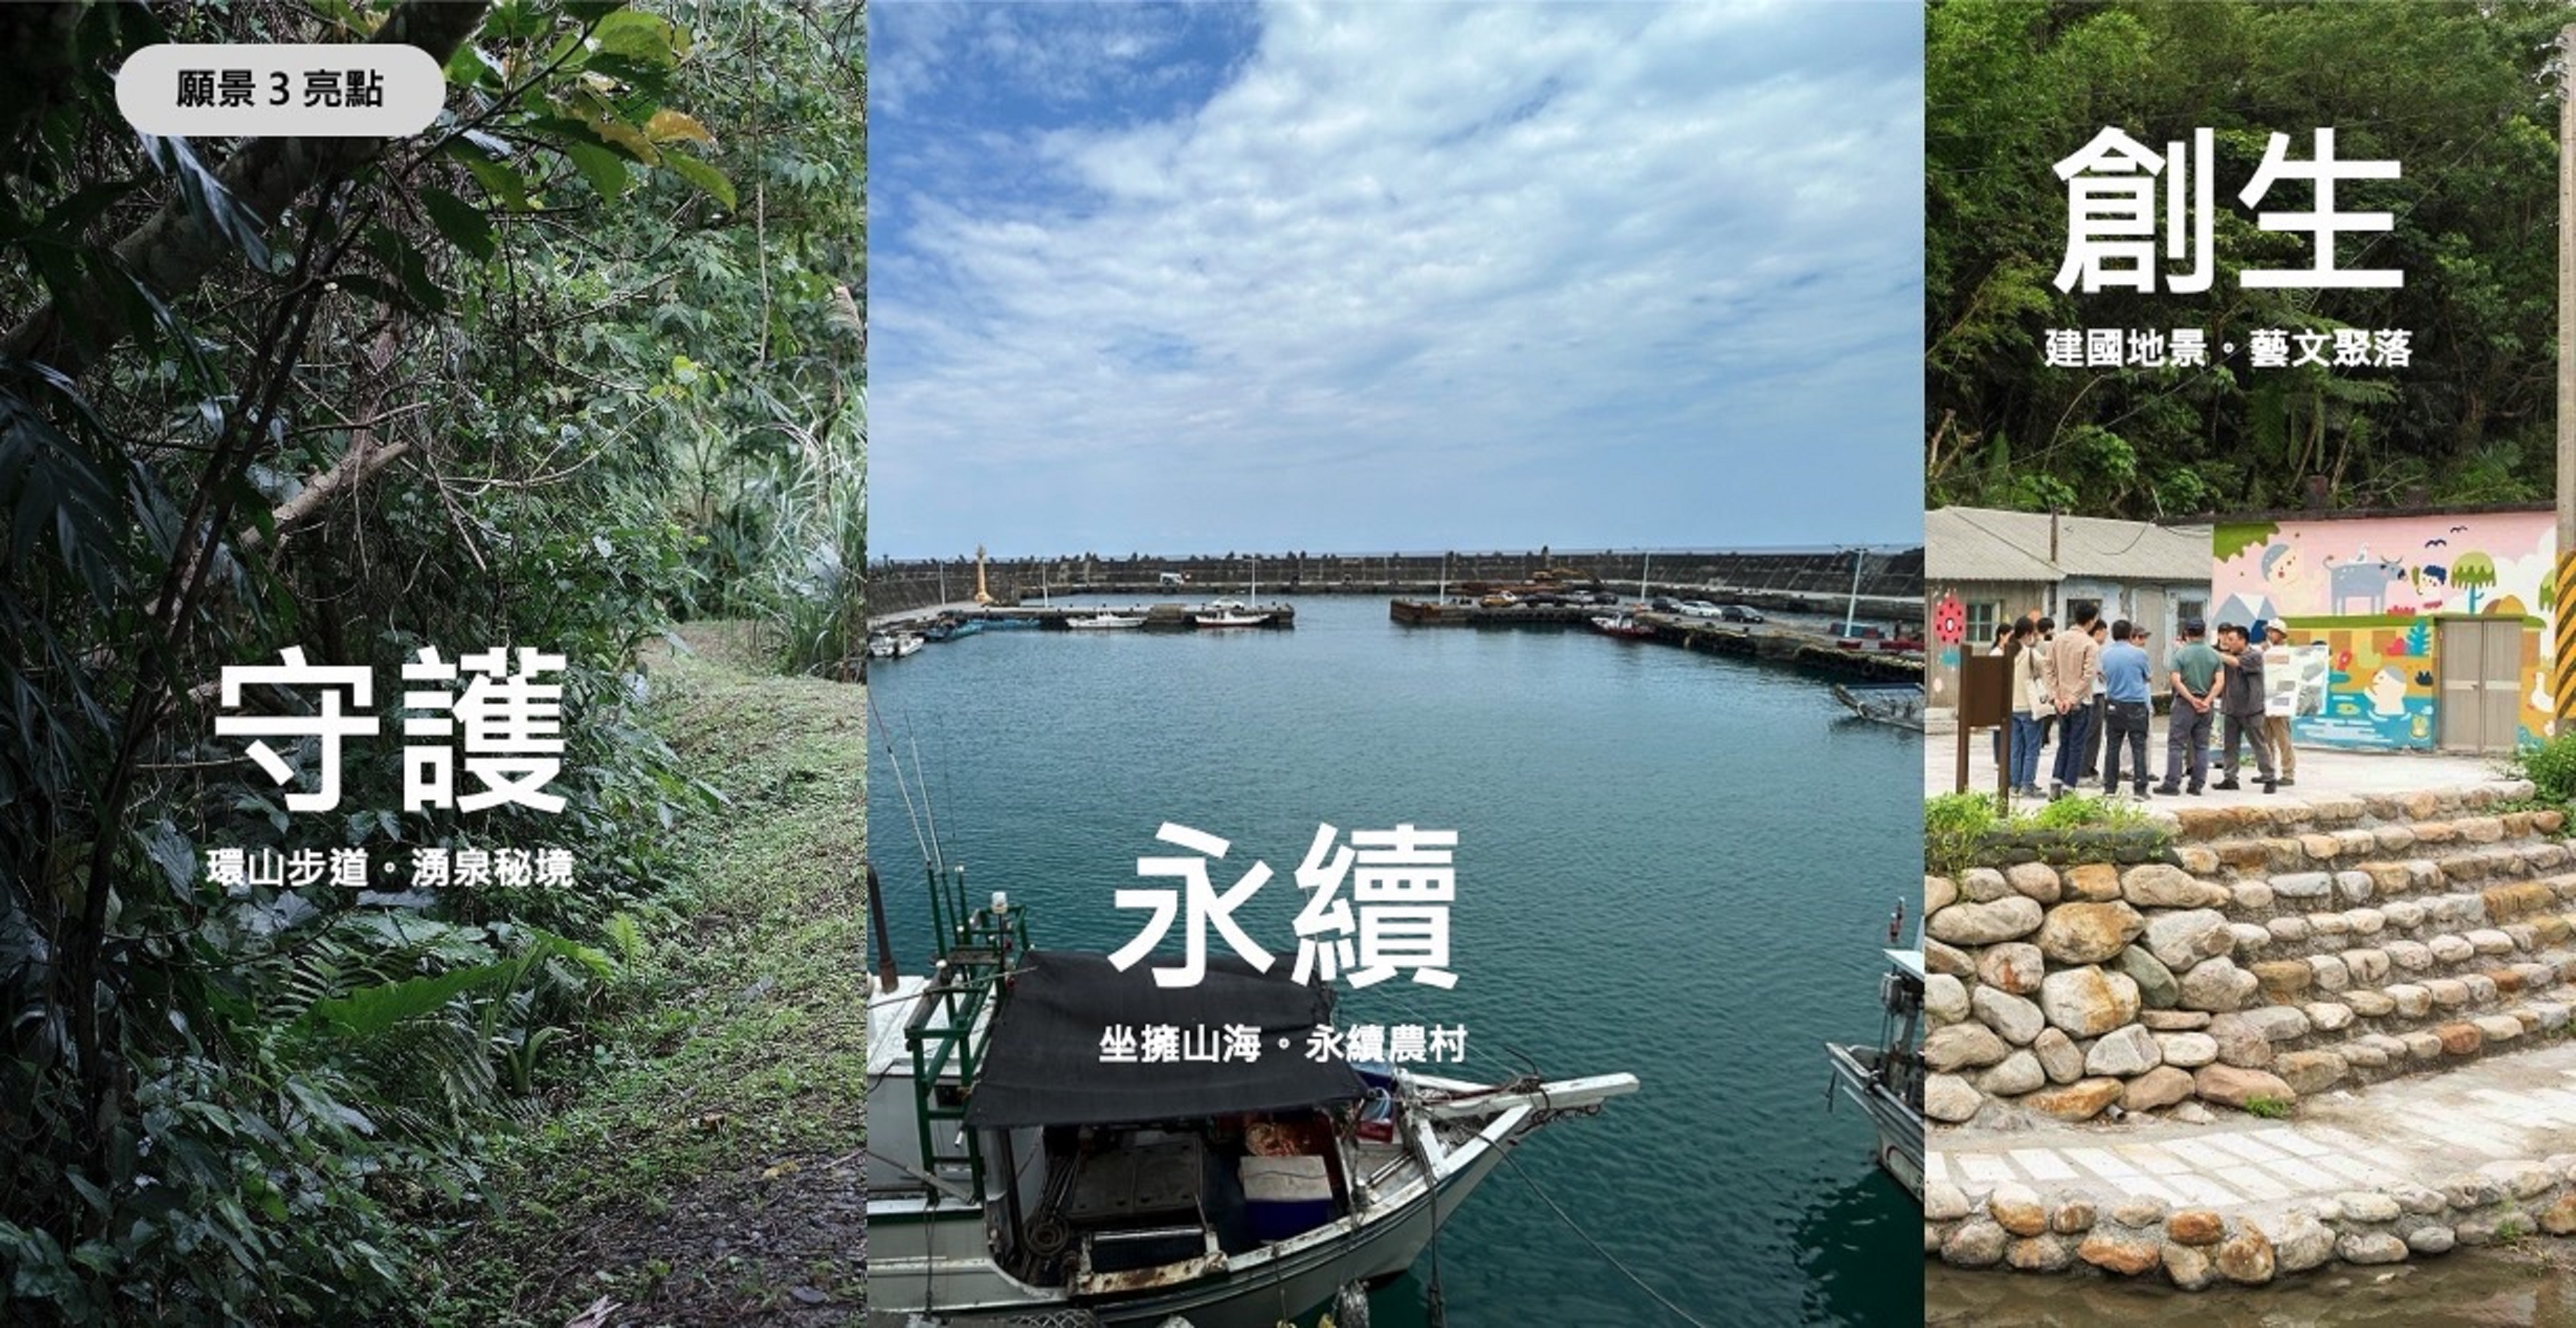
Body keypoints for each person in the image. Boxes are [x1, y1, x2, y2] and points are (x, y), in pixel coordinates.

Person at [2156, 619, 2223, 795]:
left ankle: (2172, 783)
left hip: (2185, 704)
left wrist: (2191, 699)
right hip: (2205, 706)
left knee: (2177, 744)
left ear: (2186, 633)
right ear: (2204, 632)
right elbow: (2219, 683)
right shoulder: (2214, 655)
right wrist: (2207, 701)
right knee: (2202, 746)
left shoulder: (2180, 654)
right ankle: (2197, 785)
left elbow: (2176, 680)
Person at [2213, 623, 2277, 792]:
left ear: (2243, 640)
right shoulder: (2226, 656)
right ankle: (2230, 778)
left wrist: (2214, 653)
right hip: (2231, 709)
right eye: (2226, 640)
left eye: (2232, 640)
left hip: (2251, 710)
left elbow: (2235, 662)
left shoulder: (2254, 656)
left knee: (2259, 745)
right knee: (2230, 746)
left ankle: (2269, 778)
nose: (2228, 643)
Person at [2046, 603, 2101, 798]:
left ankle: (2055, 783)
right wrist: (2072, 698)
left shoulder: (2057, 640)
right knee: (2077, 744)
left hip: (2060, 701)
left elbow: (2049, 669)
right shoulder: (2090, 644)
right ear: (2092, 620)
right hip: (2080, 702)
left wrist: (2056, 697)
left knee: (2064, 742)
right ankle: (2069, 786)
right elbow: (2088, 676)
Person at [2098, 619, 2153, 798]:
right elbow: (2147, 677)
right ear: (2130, 634)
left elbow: (2103, 677)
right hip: (2136, 703)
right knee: (2139, 746)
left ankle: (2110, 788)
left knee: (2113, 746)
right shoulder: (2140, 654)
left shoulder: (2105, 654)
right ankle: (2140, 789)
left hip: (2114, 703)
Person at [2004, 617, 2045, 797]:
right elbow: (2047, 670)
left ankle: (2014, 785)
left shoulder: (2007, 653)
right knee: (2032, 748)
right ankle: (2027, 785)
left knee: (2016, 748)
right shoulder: (2031, 654)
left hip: (2011, 706)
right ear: (2028, 634)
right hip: (2029, 707)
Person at [2263, 622, 2298, 787]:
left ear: (2281, 634)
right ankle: (2268, 772)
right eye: (2269, 631)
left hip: (2280, 701)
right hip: (2267, 700)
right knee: (2266, 739)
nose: (2270, 634)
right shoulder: (2268, 650)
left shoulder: (2288, 653)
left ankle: (2288, 773)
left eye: (2273, 632)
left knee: (2283, 739)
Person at [2078, 617, 2110, 781]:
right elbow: (2098, 672)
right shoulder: (2093, 648)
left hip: (2094, 693)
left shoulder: (2091, 647)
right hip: (2095, 694)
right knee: (2092, 734)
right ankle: (2085, 768)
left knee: (2094, 734)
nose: (2106, 636)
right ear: (2098, 632)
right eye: (2105, 632)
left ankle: (2089, 766)